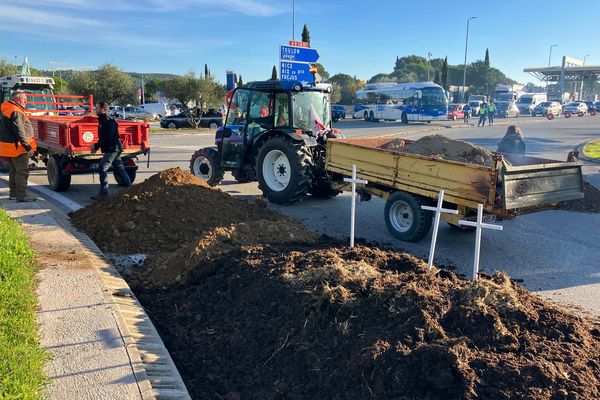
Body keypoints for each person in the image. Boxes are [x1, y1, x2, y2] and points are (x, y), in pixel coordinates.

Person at [0, 92, 37, 202]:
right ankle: (21, 196)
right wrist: (28, 147)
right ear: (16, 99)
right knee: (22, 172)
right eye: (23, 99)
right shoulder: (16, 111)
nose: (26, 101)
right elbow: (19, 131)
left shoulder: (8, 108)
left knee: (14, 171)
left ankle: (13, 194)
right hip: (18, 148)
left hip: (9, 147)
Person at [90, 102, 131, 200]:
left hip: (113, 149)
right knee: (120, 168)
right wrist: (95, 147)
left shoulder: (108, 121)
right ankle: (130, 188)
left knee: (102, 168)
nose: (95, 110)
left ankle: (104, 193)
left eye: (97, 108)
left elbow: (108, 138)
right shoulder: (103, 120)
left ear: (103, 109)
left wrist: (95, 145)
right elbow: (104, 137)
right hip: (113, 148)